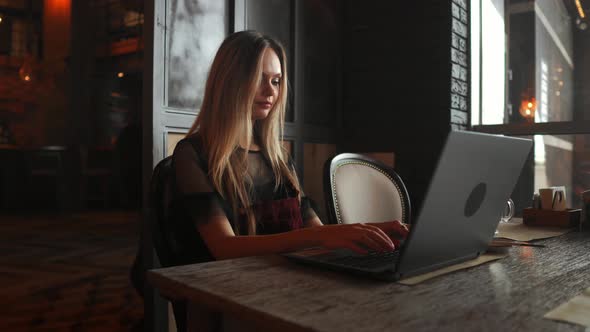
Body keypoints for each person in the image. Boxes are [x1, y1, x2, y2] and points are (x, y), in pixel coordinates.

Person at [169, 30, 408, 330]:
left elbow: (317, 230)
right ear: (230, 80)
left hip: (288, 290)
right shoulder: (192, 154)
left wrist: (373, 233)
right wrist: (324, 237)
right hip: (229, 303)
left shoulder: (278, 157)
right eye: (260, 78)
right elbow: (224, 248)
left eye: (276, 80)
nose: (270, 91)